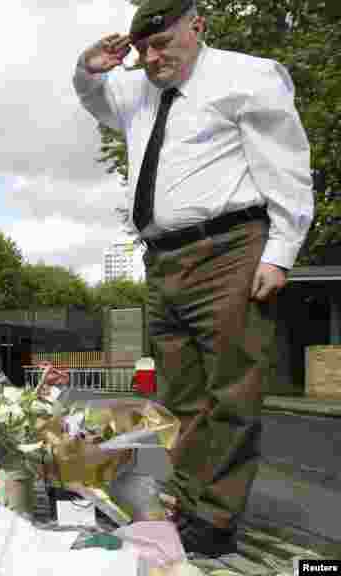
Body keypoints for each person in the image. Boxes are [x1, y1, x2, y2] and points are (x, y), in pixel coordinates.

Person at [73, 0, 314, 555]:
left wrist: (280, 252)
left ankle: (215, 521)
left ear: (197, 26)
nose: (153, 58)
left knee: (231, 388)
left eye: (163, 45)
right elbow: (94, 100)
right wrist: (88, 69)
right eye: (142, 49)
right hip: (163, 259)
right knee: (181, 394)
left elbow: (287, 163)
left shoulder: (247, 77)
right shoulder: (137, 90)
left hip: (231, 246)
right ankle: (185, 503)